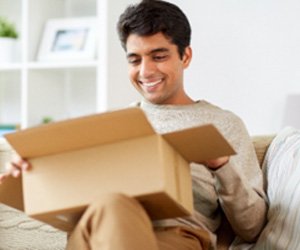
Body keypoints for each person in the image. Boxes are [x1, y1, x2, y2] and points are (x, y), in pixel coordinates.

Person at [0, 0, 267, 249]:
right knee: (111, 205)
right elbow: (71, 208)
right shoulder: (111, 126)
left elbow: (252, 227)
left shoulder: (222, 124)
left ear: (185, 56)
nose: (145, 71)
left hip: (173, 239)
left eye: (158, 56)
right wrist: (34, 176)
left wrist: (222, 165)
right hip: (95, 234)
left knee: (114, 204)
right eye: (135, 59)